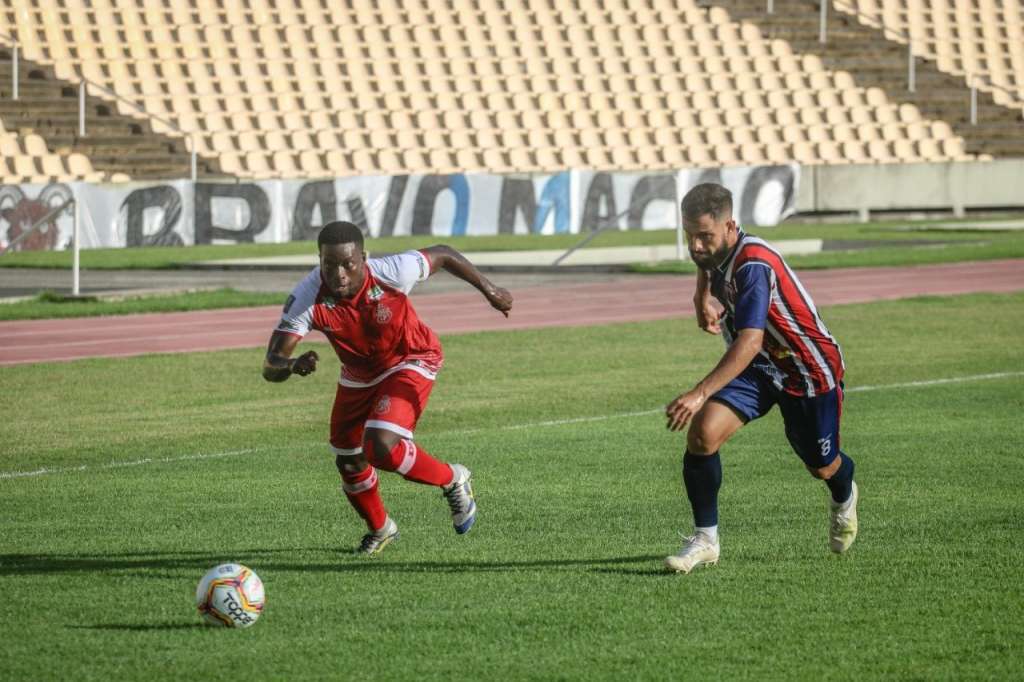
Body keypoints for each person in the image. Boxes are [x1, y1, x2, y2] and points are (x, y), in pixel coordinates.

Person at [262, 220, 513, 556]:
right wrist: (290, 366)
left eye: (348, 264)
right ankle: (381, 529)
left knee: (379, 445)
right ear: (319, 260)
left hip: (411, 357)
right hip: (359, 373)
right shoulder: (308, 296)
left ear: (363, 258)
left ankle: (453, 478)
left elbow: (444, 254)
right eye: (329, 264)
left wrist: (490, 290)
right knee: (348, 460)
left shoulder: (392, 271)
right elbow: (271, 364)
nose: (339, 274)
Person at [664, 183, 859, 573]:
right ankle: (706, 540)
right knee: (702, 435)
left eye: (705, 236)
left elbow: (750, 341)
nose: (697, 246)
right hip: (760, 368)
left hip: (806, 369)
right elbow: (708, 264)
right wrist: (701, 295)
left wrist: (699, 392)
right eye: (690, 236)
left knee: (821, 465)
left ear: (731, 226)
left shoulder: (753, 265)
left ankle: (844, 494)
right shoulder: (716, 250)